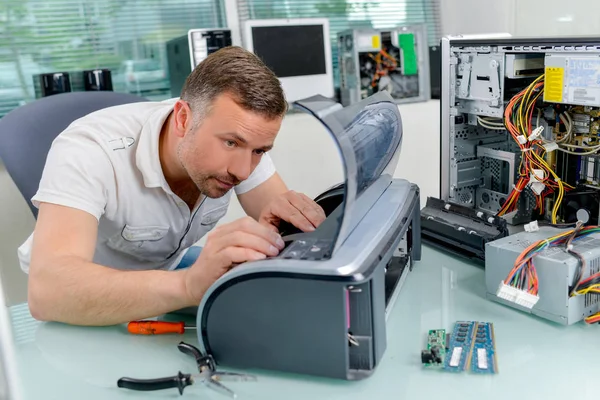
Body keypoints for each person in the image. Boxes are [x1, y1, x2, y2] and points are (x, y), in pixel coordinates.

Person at [18, 46, 326, 326]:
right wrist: (188, 286)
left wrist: (299, 227)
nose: (243, 171)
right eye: (231, 143)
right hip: (83, 300)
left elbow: (284, 229)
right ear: (182, 119)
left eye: (259, 151)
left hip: (169, 272)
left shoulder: (241, 140)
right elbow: (48, 293)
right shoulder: (89, 150)